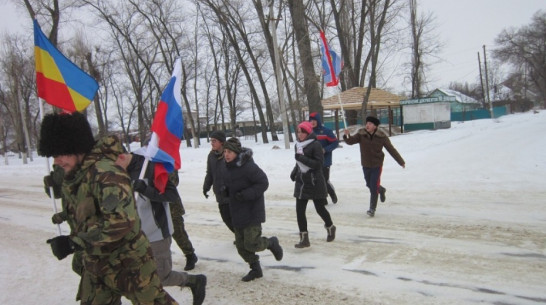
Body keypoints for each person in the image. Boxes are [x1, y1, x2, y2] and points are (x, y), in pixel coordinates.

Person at [38, 112, 177, 305]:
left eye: (59, 154)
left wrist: (74, 243)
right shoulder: (77, 175)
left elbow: (120, 221)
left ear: (76, 148)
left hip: (128, 262)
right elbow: (84, 211)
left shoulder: (106, 173)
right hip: (96, 264)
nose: (56, 161)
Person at [115, 152, 206, 305]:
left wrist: (146, 189)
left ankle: (194, 281)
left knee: (161, 277)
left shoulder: (151, 167)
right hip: (134, 236)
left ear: (121, 156)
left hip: (156, 234)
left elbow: (171, 195)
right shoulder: (119, 172)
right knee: (140, 280)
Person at [222, 137, 283, 282]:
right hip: (237, 211)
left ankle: (271, 243)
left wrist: (246, 194)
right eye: (224, 151)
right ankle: (255, 269)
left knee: (252, 243)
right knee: (241, 246)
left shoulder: (248, 166)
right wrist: (225, 191)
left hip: (251, 211)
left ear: (236, 152)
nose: (226, 154)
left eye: (229, 151)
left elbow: (263, 182)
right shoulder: (227, 167)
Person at [343, 116, 405, 217]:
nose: (367, 125)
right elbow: (350, 141)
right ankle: (381, 190)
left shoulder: (381, 136)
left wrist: (400, 161)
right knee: (369, 184)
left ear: (375, 126)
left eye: (370, 124)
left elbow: (391, 149)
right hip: (366, 164)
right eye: (367, 123)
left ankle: (372, 209)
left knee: (373, 187)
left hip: (377, 164)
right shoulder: (361, 134)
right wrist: (347, 135)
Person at [290, 121, 336, 248]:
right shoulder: (297, 145)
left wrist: (301, 159)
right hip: (302, 181)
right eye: (298, 132)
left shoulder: (315, 145)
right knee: (300, 211)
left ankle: (330, 226)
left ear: (308, 132)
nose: (299, 134)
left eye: (301, 132)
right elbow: (298, 162)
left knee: (320, 208)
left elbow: (318, 164)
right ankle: (304, 239)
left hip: (315, 181)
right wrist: (294, 171)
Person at [202, 130, 234, 233]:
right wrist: (206, 187)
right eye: (211, 141)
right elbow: (210, 173)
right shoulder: (211, 156)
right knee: (226, 218)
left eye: (214, 141)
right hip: (220, 193)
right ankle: (239, 235)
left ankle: (240, 237)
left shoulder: (229, 154)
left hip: (231, 192)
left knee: (236, 218)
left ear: (222, 142)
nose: (212, 143)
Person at [168, 170, 199, 271]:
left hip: (171, 205)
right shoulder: (143, 163)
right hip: (152, 206)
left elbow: (174, 182)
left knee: (178, 232)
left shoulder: (166, 162)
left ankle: (190, 254)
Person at [309, 112, 339, 204]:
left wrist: (325, 150)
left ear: (318, 121)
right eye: (311, 120)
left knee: (324, 181)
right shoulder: (309, 132)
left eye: (314, 120)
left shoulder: (326, 131)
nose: (312, 122)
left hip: (325, 161)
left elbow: (335, 143)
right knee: (317, 181)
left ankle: (332, 193)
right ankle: (323, 199)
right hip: (314, 161)